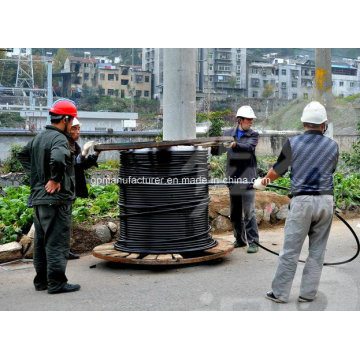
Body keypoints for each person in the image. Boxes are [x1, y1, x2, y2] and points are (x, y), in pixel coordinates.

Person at [254, 101, 339, 303]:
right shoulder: (333, 145)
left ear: (303, 124)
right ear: (324, 124)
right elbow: (331, 170)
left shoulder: (293, 143)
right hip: (326, 201)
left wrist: (262, 182)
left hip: (302, 201)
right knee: (317, 250)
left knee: (291, 250)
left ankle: (280, 293)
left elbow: (278, 170)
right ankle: (308, 294)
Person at [18, 98, 81, 294]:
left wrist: (38, 175)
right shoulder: (59, 139)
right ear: (64, 119)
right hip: (55, 199)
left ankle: (42, 281)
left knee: (41, 241)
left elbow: (22, 154)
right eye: (71, 121)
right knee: (57, 241)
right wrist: (54, 178)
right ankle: (56, 283)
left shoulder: (39, 137)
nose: (72, 125)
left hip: (39, 198)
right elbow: (58, 158)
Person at [223, 105, 260, 253]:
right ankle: (239, 239)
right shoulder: (227, 133)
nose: (251, 122)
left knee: (249, 212)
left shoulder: (253, 135)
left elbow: (249, 148)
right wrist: (215, 146)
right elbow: (219, 149)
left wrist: (234, 144)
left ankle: (254, 242)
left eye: (252, 120)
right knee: (235, 213)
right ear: (240, 120)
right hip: (233, 178)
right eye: (248, 120)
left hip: (247, 178)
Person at [66, 118, 100, 259]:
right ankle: (60, 252)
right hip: (63, 188)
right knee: (61, 223)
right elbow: (72, 164)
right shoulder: (63, 144)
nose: (77, 131)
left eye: (78, 128)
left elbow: (81, 166)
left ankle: (64, 250)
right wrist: (83, 154)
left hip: (70, 189)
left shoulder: (74, 145)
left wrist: (94, 154)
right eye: (74, 128)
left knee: (66, 221)